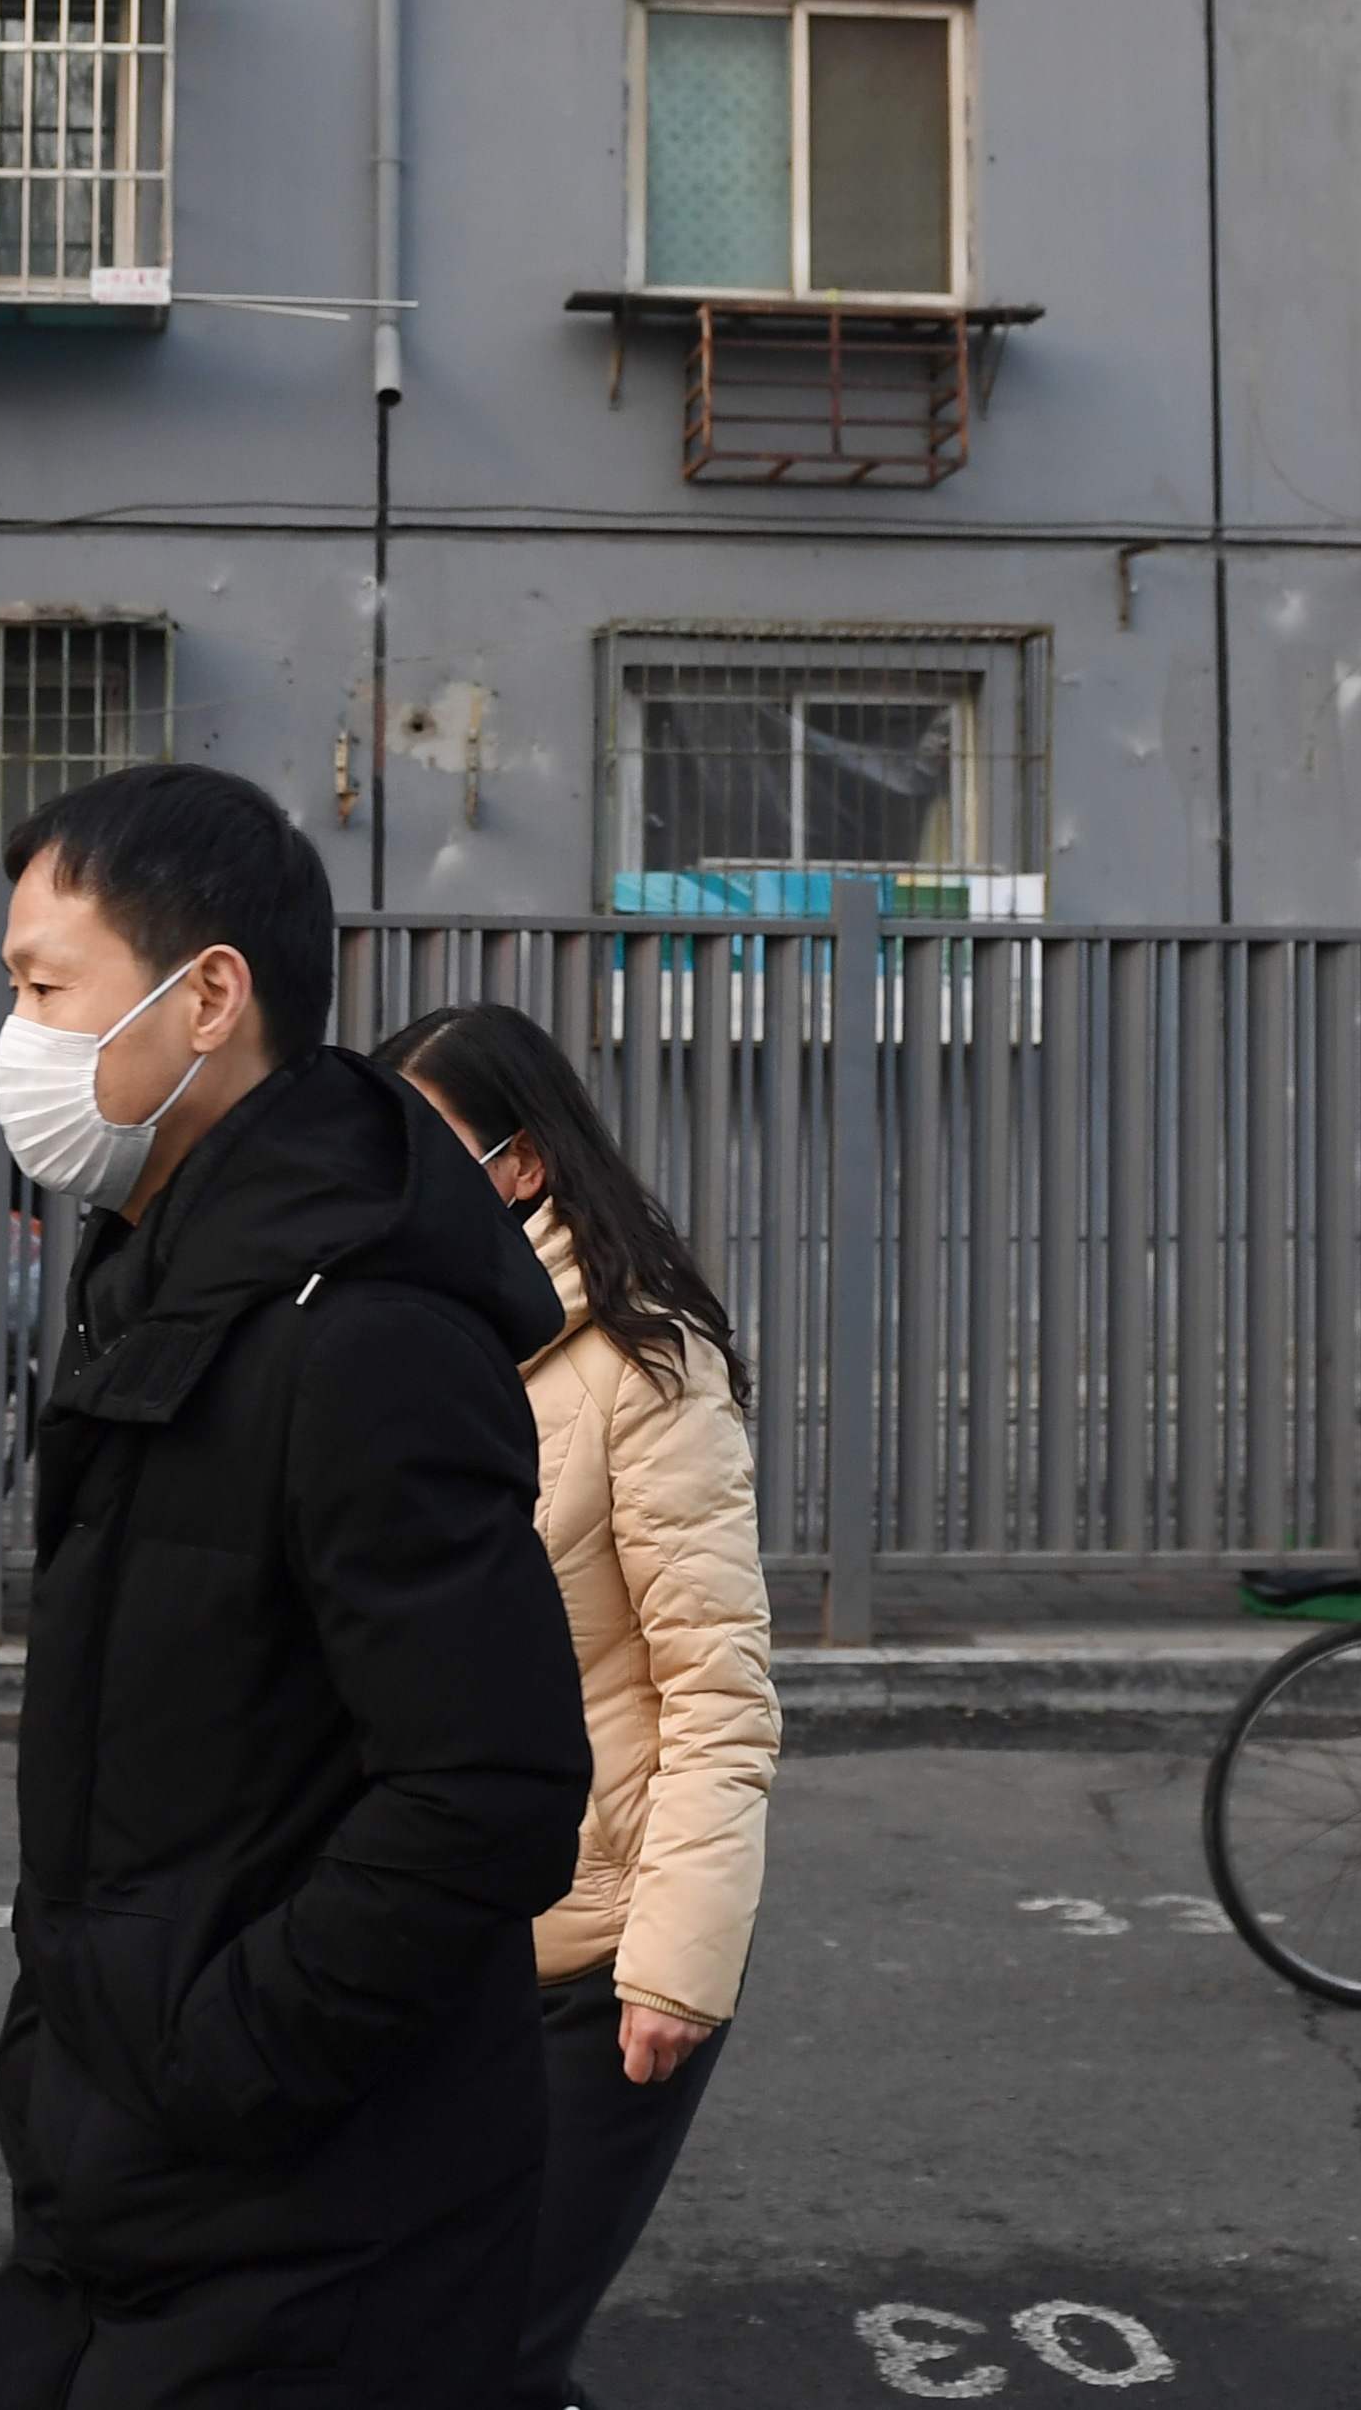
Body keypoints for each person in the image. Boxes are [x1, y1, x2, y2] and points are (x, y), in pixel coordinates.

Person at [0, 765, 595, 2410]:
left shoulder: (361, 1329)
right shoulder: (161, 1279)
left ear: (207, 996)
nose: (15, 1039)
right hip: (128, 2175)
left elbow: (491, 1789)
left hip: (309, 2218)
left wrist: (220, 2055)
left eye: (44, 989)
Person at [372, 1002, 777, 2410]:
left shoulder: (644, 1366)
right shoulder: (404, 1346)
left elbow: (716, 1684)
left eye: (424, 1144)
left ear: (523, 1162)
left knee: (490, 2346)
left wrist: (674, 1962)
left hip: (596, 1959)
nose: (388, 1176)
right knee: (434, 2334)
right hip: (430, 1940)